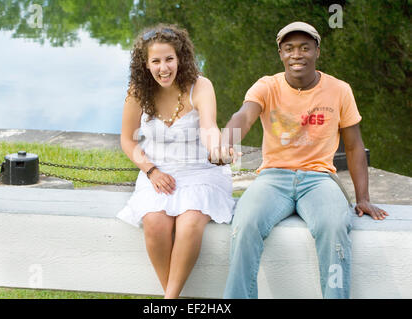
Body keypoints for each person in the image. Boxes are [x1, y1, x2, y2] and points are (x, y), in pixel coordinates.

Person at [222, 21, 389, 299]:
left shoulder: (339, 90)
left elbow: (355, 146)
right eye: (289, 49)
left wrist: (363, 197)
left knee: (334, 226)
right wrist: (226, 140)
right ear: (280, 54)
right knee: (244, 224)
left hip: (319, 179)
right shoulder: (267, 86)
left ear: (317, 51)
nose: (296, 54)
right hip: (273, 178)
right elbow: (244, 116)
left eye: (304, 48)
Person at [117, 24, 235, 299]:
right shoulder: (138, 91)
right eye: (155, 61)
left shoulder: (200, 86)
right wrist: (151, 170)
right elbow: (127, 140)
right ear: (145, 64)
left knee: (189, 223)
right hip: (156, 171)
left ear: (180, 58)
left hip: (200, 171)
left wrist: (219, 150)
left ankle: (169, 301)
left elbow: (209, 128)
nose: (163, 68)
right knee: (155, 224)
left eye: (169, 59)